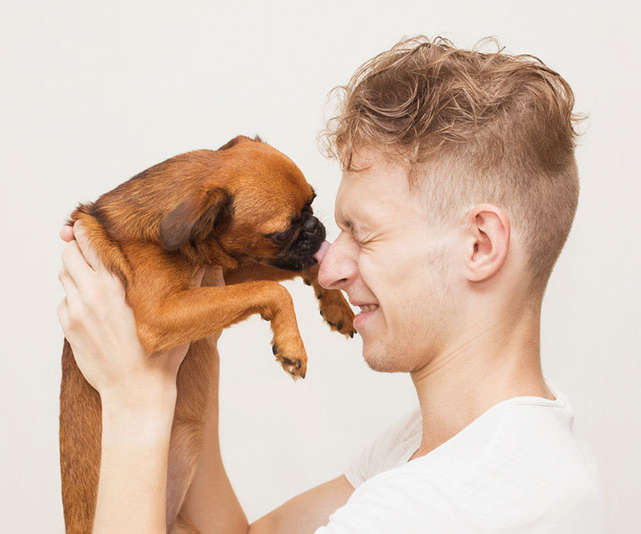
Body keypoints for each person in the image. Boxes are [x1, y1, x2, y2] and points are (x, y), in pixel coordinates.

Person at [57, 36, 606, 533]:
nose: (328, 268)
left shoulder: (431, 509)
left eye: (362, 235)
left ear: (480, 245)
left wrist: (133, 400)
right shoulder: (458, 449)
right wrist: (198, 324)